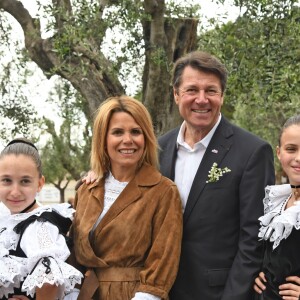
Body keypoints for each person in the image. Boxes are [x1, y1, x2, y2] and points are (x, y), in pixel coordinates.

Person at [158, 51, 275, 300]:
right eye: (192, 90)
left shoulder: (252, 152)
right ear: (176, 94)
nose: (202, 100)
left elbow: (253, 239)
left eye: (211, 91)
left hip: (219, 292)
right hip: (160, 291)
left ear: (222, 95)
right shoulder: (158, 149)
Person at [70, 95, 183, 300]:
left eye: (135, 131)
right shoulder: (86, 190)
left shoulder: (163, 191)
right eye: (117, 132)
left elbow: (163, 261)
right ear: (103, 139)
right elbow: (71, 254)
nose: (128, 140)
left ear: (146, 137)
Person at [0, 138, 83, 300]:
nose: (15, 191)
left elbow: (50, 281)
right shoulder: (6, 220)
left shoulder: (40, 225)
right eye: (7, 180)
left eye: (25, 181)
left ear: (39, 183)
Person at [253, 115, 300, 300]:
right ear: (279, 153)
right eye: (291, 149)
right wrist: (257, 274)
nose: (298, 158)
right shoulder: (276, 201)